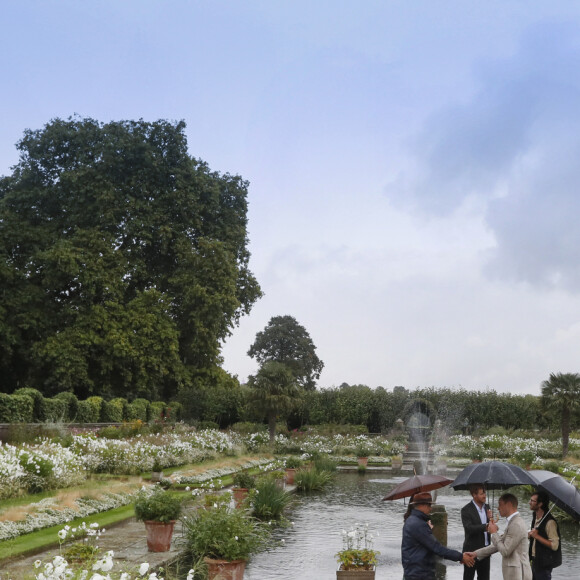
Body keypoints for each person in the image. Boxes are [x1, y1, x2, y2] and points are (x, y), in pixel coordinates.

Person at [401, 491, 475, 580]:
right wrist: (460, 556)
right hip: (420, 574)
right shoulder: (418, 524)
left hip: (414, 572)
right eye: (429, 505)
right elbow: (437, 548)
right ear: (422, 505)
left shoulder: (412, 520)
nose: (430, 509)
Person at [469, 493, 532, 580]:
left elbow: (505, 551)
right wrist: (476, 553)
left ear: (509, 504)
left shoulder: (516, 524)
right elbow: (497, 546)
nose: (498, 508)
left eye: (500, 505)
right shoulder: (512, 522)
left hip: (518, 575)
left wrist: (494, 533)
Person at [527, 491, 561, 580]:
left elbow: (554, 546)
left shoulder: (550, 522)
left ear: (540, 504)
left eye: (532, 501)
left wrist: (537, 536)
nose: (529, 502)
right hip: (534, 561)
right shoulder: (536, 516)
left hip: (544, 565)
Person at [461, 484, 492, 580]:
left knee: (484, 578)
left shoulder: (487, 507)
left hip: (486, 550)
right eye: (482, 493)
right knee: (468, 577)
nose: (485, 496)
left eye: (485, 493)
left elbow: (490, 527)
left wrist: (490, 518)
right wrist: (485, 526)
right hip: (471, 551)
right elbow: (469, 528)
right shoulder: (466, 510)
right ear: (474, 495)